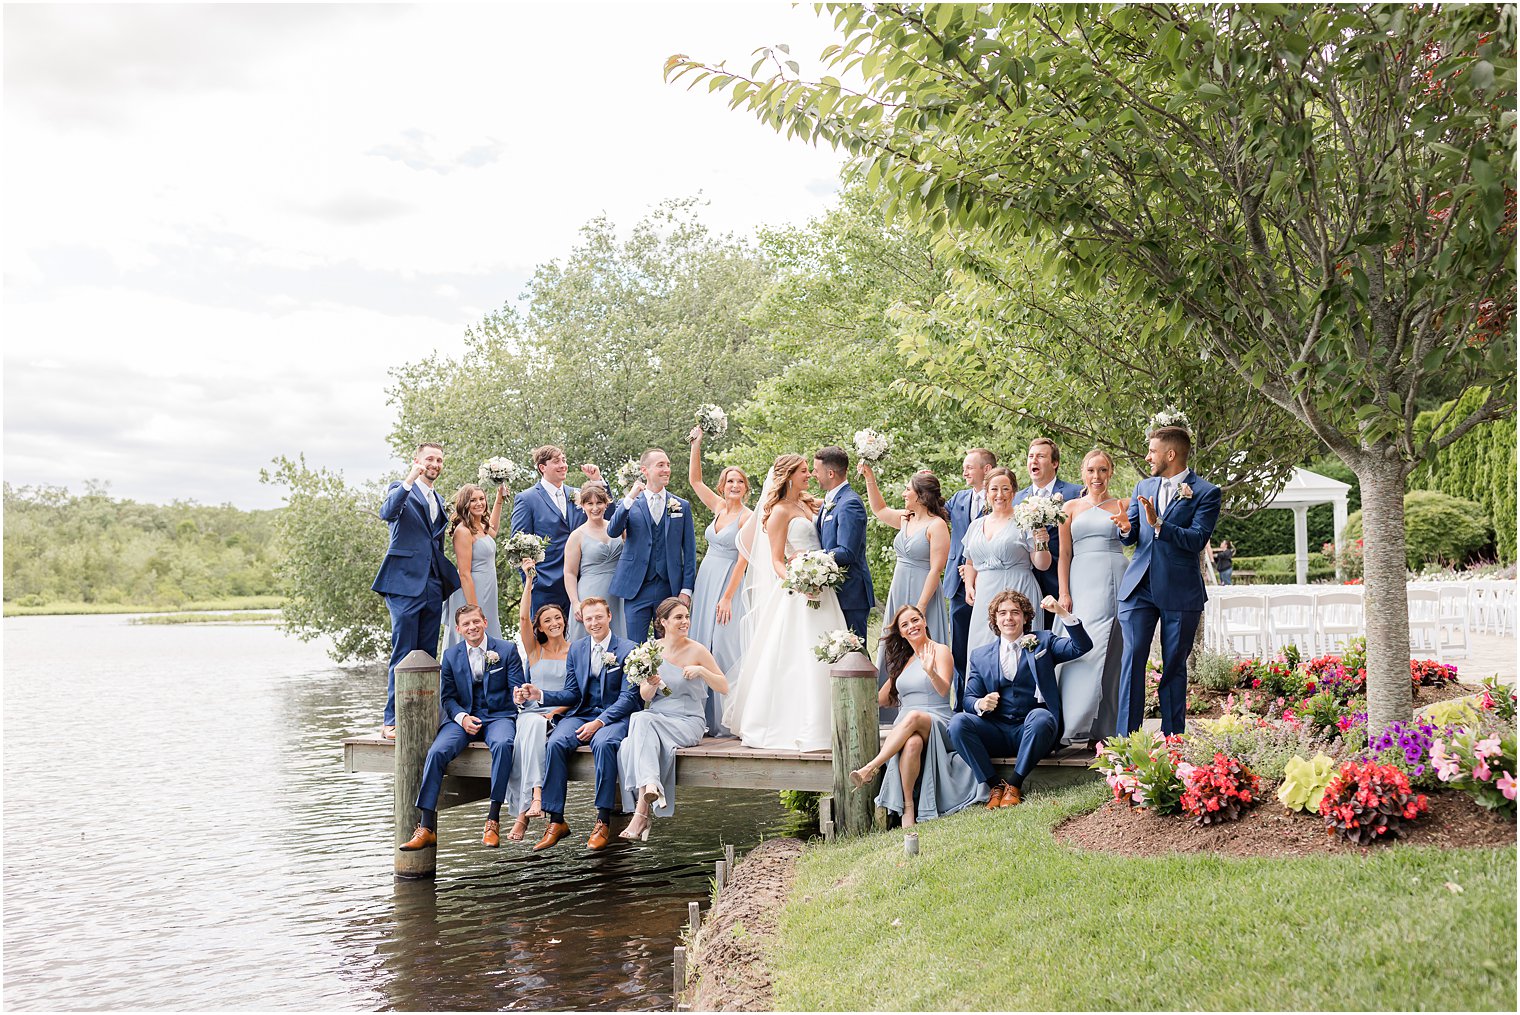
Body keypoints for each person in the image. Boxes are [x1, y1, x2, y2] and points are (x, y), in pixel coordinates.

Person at [723, 455, 846, 752]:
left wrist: (819, 575)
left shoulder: (808, 504)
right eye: (804, 471)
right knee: (796, 656)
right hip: (798, 591)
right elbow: (777, 560)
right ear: (789, 476)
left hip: (823, 589)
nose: (809, 475)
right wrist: (800, 580)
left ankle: (833, 723)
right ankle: (793, 724)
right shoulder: (778, 511)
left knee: (828, 651)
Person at [1113, 425, 1222, 737]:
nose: (1148, 457)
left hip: (1180, 589)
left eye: (1152, 451)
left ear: (1170, 454)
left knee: (1174, 665)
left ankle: (1174, 741)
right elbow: (1133, 535)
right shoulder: (1142, 486)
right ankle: (1126, 744)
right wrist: (1124, 528)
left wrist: (1159, 523)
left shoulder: (1205, 492)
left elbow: (1197, 539)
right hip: (1139, 588)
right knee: (1132, 661)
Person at [947, 590, 1092, 808]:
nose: (1009, 618)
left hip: (1032, 730)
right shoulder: (980, 655)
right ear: (995, 619)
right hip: (995, 731)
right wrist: (980, 703)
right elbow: (968, 698)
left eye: (1015, 612)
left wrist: (1061, 612)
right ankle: (995, 785)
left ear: (1025, 617)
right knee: (957, 723)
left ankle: (1014, 785)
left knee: (1041, 716)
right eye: (1003, 613)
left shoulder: (1043, 641)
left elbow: (1082, 646)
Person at [398, 605, 521, 850]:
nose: (472, 627)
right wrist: (462, 717)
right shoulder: (452, 655)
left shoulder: (507, 650)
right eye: (466, 624)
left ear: (485, 622)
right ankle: (426, 827)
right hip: (464, 718)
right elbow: (447, 698)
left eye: (476, 622)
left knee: (504, 744)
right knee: (436, 752)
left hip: (498, 716)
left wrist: (520, 696)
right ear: (458, 629)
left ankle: (493, 820)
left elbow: (517, 687)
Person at [850, 605, 985, 826]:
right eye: (905, 625)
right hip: (909, 726)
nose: (911, 626)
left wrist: (930, 671)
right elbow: (880, 699)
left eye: (915, 620)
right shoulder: (904, 661)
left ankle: (870, 767)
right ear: (901, 633)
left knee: (912, 717)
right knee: (912, 744)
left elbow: (943, 690)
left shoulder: (939, 650)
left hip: (939, 721)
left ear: (924, 622)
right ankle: (909, 808)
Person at [524, 597, 641, 852]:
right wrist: (540, 694)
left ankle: (602, 820)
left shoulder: (629, 649)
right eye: (588, 618)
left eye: (599, 616)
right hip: (582, 712)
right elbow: (572, 693)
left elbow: (629, 697)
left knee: (604, 743)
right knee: (555, 742)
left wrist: (600, 722)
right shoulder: (577, 649)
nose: (594, 622)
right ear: (583, 621)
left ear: (609, 617)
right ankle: (556, 821)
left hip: (614, 716)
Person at [617, 598, 729, 840]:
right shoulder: (650, 650)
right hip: (659, 716)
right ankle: (647, 799)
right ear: (663, 622)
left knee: (637, 727)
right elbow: (645, 696)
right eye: (678, 617)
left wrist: (702, 671)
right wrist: (652, 683)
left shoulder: (697, 650)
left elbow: (724, 686)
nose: (685, 621)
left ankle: (641, 809)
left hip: (688, 721)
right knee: (638, 721)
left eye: (686, 616)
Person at [373, 441, 462, 738]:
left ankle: (425, 717)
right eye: (429, 459)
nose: (435, 464)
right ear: (417, 460)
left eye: (439, 460)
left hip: (432, 584)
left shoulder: (437, 498)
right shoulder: (401, 488)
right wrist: (410, 478)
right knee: (403, 651)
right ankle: (391, 720)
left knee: (426, 654)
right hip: (403, 583)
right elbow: (387, 513)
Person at [858, 464, 951, 711]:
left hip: (923, 590)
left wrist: (920, 606)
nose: (904, 494)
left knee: (923, 642)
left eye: (908, 490)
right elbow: (879, 509)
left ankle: (925, 702)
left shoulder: (936, 525)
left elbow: (935, 569)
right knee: (894, 642)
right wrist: (870, 477)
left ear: (920, 495)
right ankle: (889, 705)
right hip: (899, 588)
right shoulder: (905, 518)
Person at [1054, 449, 1129, 749]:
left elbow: (1130, 537)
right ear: (1082, 473)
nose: (1096, 477)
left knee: (1110, 654)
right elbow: (1064, 555)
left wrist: (1126, 526)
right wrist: (1064, 592)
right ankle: (1071, 722)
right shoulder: (1069, 507)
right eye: (1091, 470)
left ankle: (1104, 729)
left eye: (1102, 470)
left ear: (1110, 472)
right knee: (1079, 649)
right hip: (1080, 580)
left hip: (1113, 578)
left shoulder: (1123, 504)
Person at [685, 427, 751, 736]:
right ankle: (701, 717)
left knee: (725, 645)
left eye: (740, 481)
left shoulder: (747, 517)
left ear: (745, 487)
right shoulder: (718, 508)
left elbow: (743, 560)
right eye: (730, 481)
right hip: (707, 577)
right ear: (722, 486)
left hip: (728, 584)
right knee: (703, 641)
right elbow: (695, 481)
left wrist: (727, 596)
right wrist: (696, 445)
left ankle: (729, 719)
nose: (734, 485)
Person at [503, 562, 571, 842]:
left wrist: (554, 713)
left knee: (531, 729)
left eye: (557, 618)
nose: (554, 623)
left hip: (561, 713)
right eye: (547, 621)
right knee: (529, 726)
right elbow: (522, 619)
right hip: (533, 712)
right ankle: (535, 798)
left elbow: (577, 693)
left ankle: (524, 812)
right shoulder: (535, 651)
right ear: (540, 627)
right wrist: (529, 580)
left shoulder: (575, 651)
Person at [606, 449, 697, 643]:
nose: (666, 470)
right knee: (634, 646)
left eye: (668, 465)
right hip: (636, 587)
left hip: (669, 587)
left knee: (669, 646)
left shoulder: (681, 505)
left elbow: (689, 552)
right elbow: (613, 531)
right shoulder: (629, 502)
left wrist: (686, 590)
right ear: (645, 470)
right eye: (661, 465)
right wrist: (629, 497)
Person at [509, 445, 607, 613]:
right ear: (542, 467)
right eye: (557, 461)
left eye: (564, 460)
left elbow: (608, 517)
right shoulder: (527, 499)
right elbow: (518, 546)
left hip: (581, 583)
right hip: (545, 586)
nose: (563, 465)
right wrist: (532, 581)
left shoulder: (578, 494)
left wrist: (597, 481)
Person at [963, 466, 1048, 656]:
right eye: (994, 489)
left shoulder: (1025, 521)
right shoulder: (976, 525)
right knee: (982, 649)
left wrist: (1041, 543)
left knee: (1020, 651)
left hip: (1019, 588)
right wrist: (969, 586)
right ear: (986, 492)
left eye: (1005, 489)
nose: (999, 494)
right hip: (985, 595)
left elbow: (1042, 564)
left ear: (1014, 491)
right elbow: (970, 562)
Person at [1014, 438, 1084, 629]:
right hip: (1026, 578)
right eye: (1030, 456)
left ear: (1055, 463)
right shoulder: (1017, 499)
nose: (1033, 461)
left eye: (1041, 456)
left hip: (1065, 578)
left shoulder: (1076, 493)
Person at [943, 449, 997, 676]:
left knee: (988, 638)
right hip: (958, 581)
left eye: (969, 467)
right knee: (959, 643)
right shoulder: (958, 498)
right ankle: (961, 700)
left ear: (986, 470)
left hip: (990, 579)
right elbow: (935, 513)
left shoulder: (1000, 498)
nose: (964, 471)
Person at [813, 446, 875, 641]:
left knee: (855, 656)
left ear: (830, 473)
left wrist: (811, 558)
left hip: (851, 594)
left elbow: (847, 552)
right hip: (834, 592)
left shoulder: (850, 503)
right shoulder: (830, 500)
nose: (814, 474)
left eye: (816, 470)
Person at [441, 482, 506, 653]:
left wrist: (499, 499)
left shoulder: (480, 526)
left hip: (488, 588)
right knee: (474, 630)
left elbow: (494, 530)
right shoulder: (463, 531)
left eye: (481, 499)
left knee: (489, 631)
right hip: (472, 589)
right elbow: (464, 574)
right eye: (473, 500)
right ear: (464, 504)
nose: (479, 503)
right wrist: (473, 610)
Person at [563, 482, 625, 642]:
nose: (595, 508)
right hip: (589, 593)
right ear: (582, 505)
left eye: (599, 502)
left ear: (606, 504)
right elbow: (569, 573)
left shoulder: (618, 529)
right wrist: (575, 602)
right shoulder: (577, 536)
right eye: (589, 503)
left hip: (619, 595)